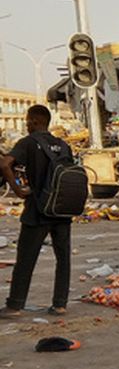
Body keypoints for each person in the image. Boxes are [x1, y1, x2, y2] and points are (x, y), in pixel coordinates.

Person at [0, 105, 72, 318]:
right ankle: (60, 304)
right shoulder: (64, 145)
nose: (26, 124)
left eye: (27, 120)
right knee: (63, 258)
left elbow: (5, 164)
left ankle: (15, 305)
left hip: (38, 210)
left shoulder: (28, 143)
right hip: (62, 209)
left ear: (34, 121)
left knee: (26, 258)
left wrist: (18, 190)